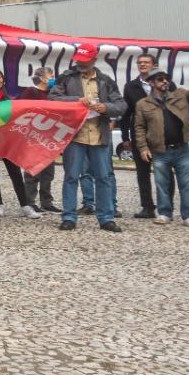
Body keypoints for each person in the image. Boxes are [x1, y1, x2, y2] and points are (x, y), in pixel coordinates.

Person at [49, 43, 126, 233]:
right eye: (78, 60)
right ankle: (68, 217)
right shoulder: (66, 78)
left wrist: (106, 108)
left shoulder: (106, 80)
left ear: (94, 59)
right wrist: (75, 101)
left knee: (104, 178)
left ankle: (106, 218)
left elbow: (121, 105)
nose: (80, 64)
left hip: (99, 137)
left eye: (84, 61)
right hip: (75, 136)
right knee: (71, 177)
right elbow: (52, 99)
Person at [133, 68, 189, 227]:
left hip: (182, 149)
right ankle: (165, 213)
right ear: (151, 82)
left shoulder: (180, 95)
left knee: (186, 184)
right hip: (160, 150)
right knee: (162, 183)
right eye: (160, 79)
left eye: (166, 78)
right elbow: (139, 128)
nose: (165, 81)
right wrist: (143, 148)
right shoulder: (143, 104)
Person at [0, 68, 41, 219]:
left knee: (15, 173)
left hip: (7, 141)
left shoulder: (9, 99)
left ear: (3, 81)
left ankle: (25, 205)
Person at [118, 53, 158, 219]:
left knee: (164, 173)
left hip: (161, 135)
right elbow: (126, 114)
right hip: (139, 135)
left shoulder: (165, 83)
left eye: (146, 62)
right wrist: (125, 136)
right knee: (143, 173)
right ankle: (147, 207)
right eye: (140, 62)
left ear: (153, 65)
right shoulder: (131, 86)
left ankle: (165, 207)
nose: (142, 65)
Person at [18, 67, 59, 213]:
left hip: (50, 137)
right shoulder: (31, 91)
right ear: (42, 78)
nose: (54, 78)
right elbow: (21, 109)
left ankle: (46, 202)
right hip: (34, 137)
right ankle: (29, 202)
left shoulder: (54, 94)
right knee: (32, 171)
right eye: (51, 75)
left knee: (48, 172)